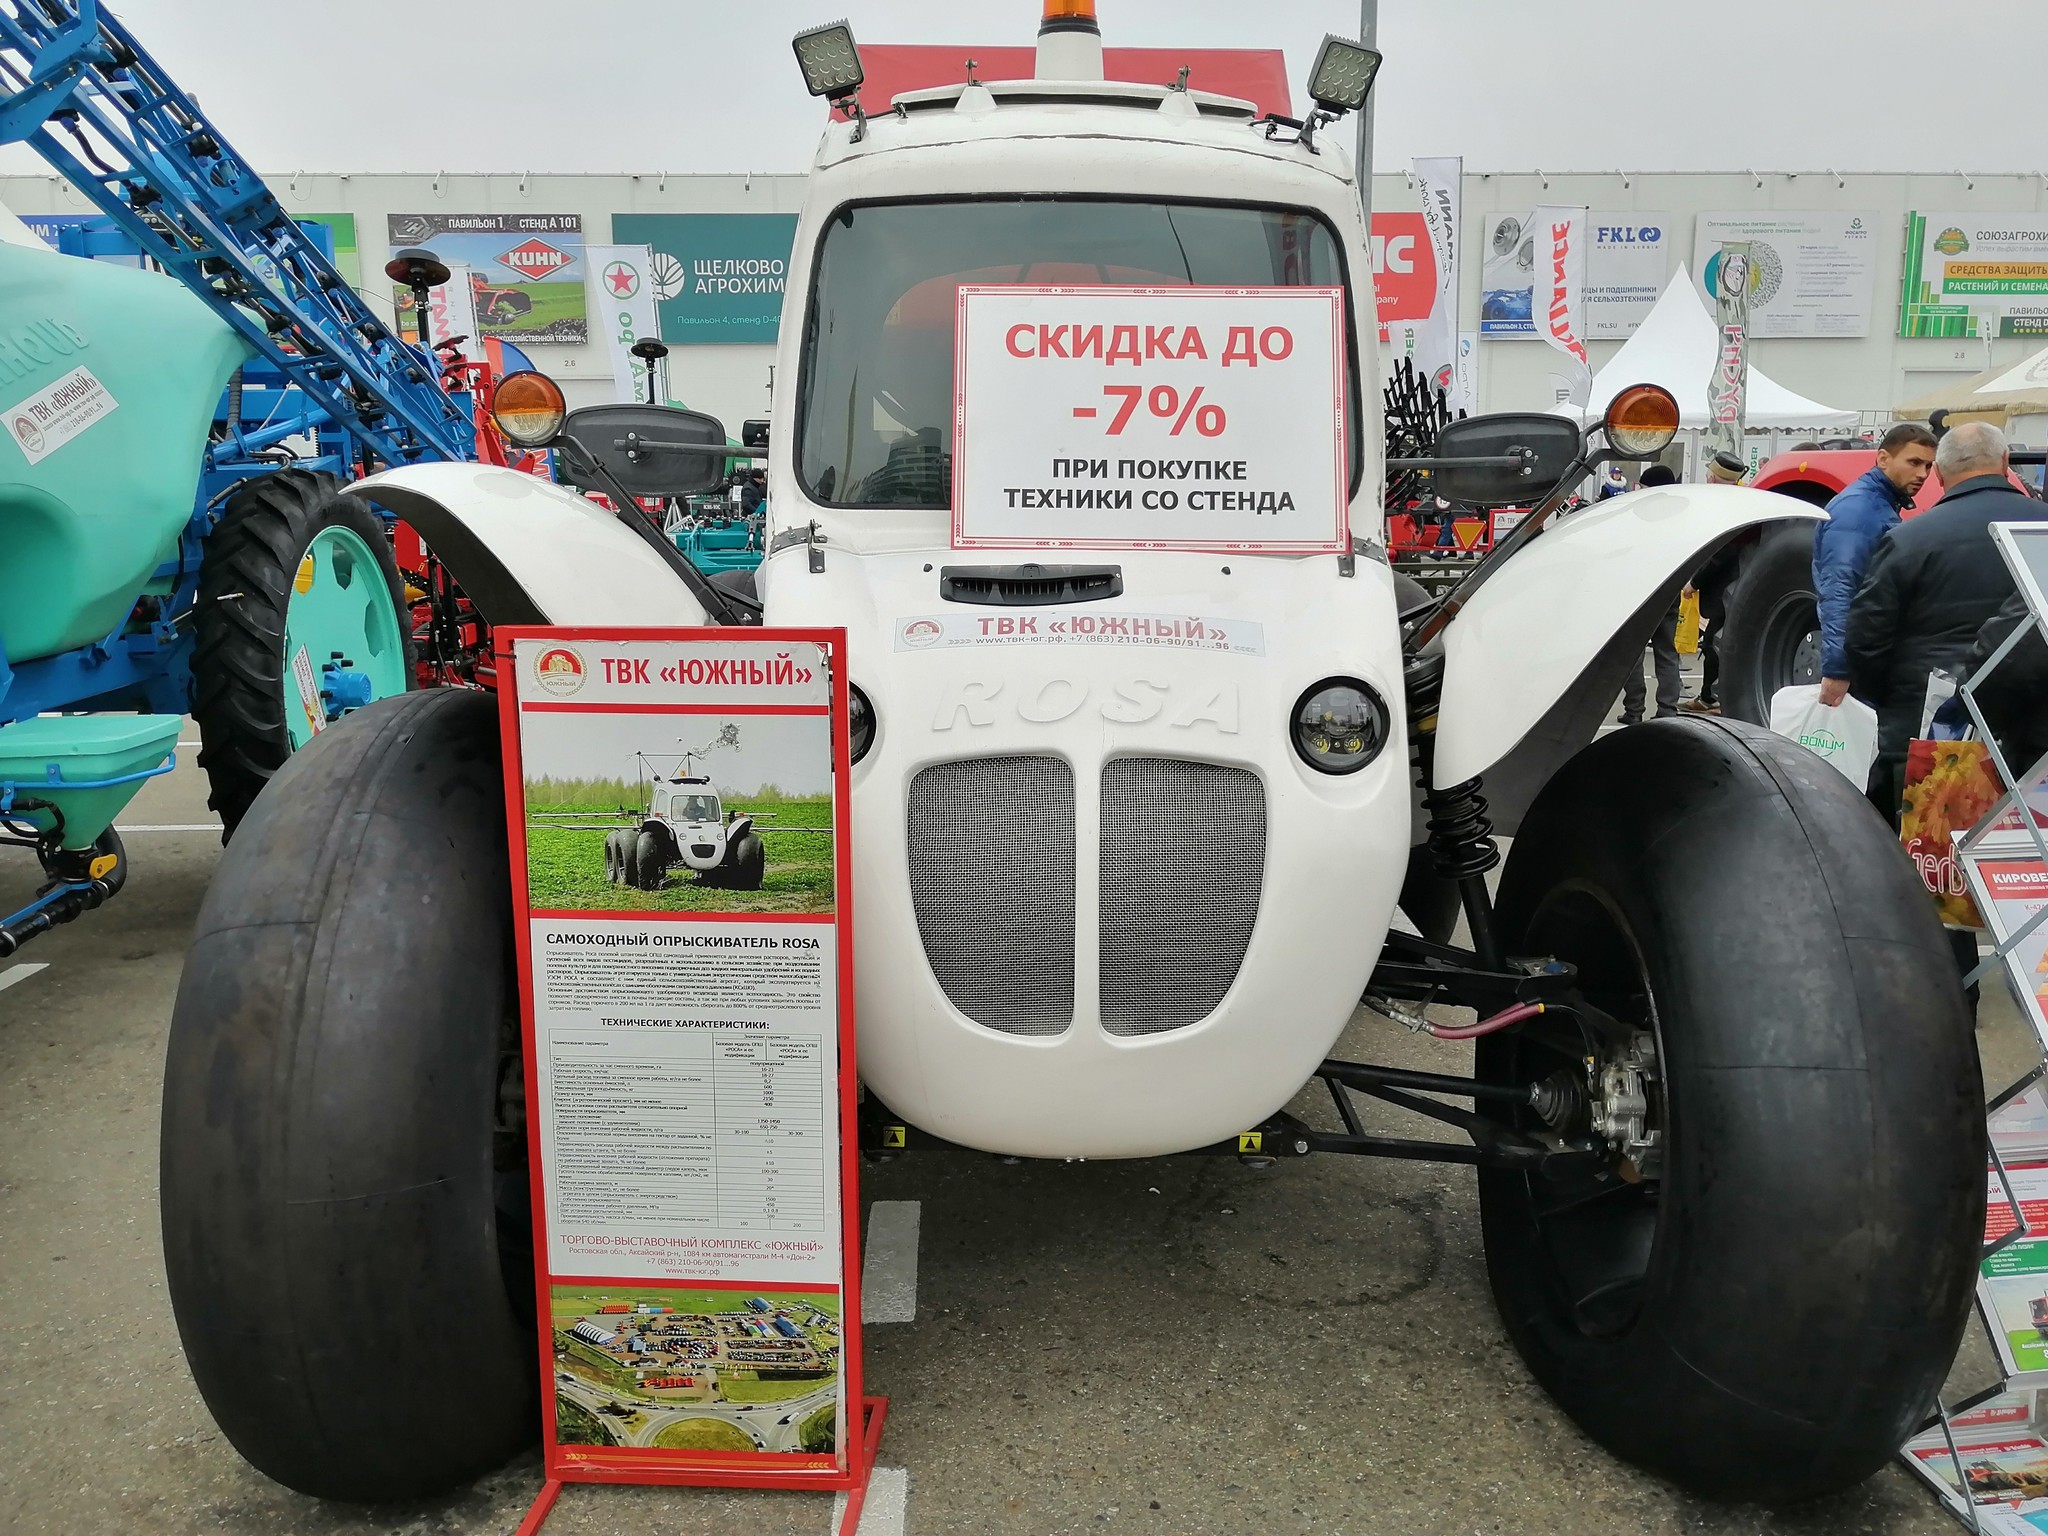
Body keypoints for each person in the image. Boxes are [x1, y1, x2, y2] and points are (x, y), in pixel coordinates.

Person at [1845, 421, 2048, 819]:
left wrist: (1884, 701)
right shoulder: (2041, 528)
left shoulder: (1909, 539)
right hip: (2034, 731)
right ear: (2005, 463)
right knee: (2023, 855)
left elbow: (1866, 638)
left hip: (1928, 732)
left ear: (1937, 473)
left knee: (1926, 858)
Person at [1814, 422, 1939, 710]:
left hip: (1865, 654)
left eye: (1929, 466)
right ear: (1883, 458)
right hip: (1859, 662)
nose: (1922, 474)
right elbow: (1840, 589)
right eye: (1914, 462)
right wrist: (1838, 669)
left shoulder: (1876, 505)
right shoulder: (1858, 511)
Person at [1678, 451, 1750, 713]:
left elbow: (1721, 555)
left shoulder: (1730, 508)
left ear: (1715, 478)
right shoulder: (1744, 501)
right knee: (1715, 644)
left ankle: (1714, 698)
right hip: (1733, 587)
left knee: (1715, 645)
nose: (1707, 479)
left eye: (1710, 475)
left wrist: (1694, 582)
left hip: (1727, 589)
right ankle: (1710, 696)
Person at [1620, 464, 1683, 723]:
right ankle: (1667, 711)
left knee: (1631, 654)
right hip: (1669, 591)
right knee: (1667, 652)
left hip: (1640, 593)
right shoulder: (1680, 517)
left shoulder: (1639, 516)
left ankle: (1634, 710)